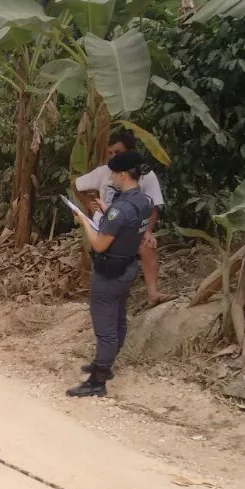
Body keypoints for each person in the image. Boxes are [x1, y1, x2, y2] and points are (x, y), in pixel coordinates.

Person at [67, 150, 151, 398]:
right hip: (128, 266)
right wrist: (106, 210)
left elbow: (100, 244)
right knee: (118, 318)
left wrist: (84, 219)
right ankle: (105, 365)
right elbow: (126, 228)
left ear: (123, 175)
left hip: (110, 271)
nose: (111, 177)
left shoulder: (121, 209)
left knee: (105, 328)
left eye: (113, 173)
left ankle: (98, 380)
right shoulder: (143, 202)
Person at [73, 129, 174, 308]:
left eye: (117, 153)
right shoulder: (104, 172)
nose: (112, 157)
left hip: (131, 227)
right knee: (105, 250)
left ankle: (152, 293)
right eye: (110, 153)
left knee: (146, 245)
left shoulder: (146, 176)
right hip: (105, 225)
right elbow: (77, 185)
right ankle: (106, 297)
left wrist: (148, 231)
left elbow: (153, 206)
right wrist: (89, 205)